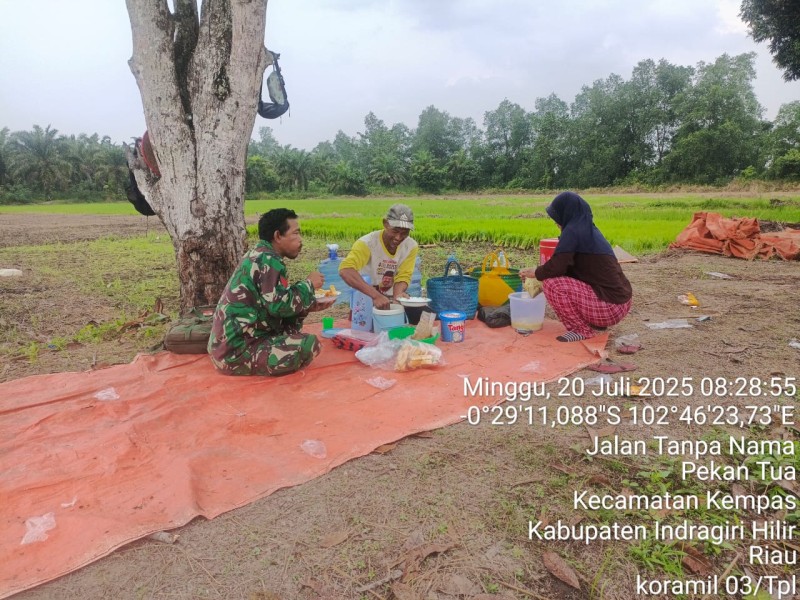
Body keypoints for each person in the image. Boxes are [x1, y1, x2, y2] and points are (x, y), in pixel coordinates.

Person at [208, 208, 324, 375]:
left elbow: (275, 302)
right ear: (278, 236)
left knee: (292, 328)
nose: (300, 240)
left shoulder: (258, 254)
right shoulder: (269, 261)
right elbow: (279, 307)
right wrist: (309, 285)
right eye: (296, 233)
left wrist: (307, 304)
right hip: (236, 353)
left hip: (224, 347)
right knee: (309, 344)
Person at [519, 191, 632, 342]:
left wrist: (536, 272)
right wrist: (538, 273)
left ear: (565, 213)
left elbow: (556, 268)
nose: (556, 222)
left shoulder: (572, 231)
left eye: (556, 216)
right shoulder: (587, 230)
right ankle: (594, 322)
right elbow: (565, 267)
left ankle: (581, 330)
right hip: (620, 303)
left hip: (610, 307)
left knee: (552, 285)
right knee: (553, 279)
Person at [339, 203, 419, 310]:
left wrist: (398, 295)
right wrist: (376, 296)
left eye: (405, 233)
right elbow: (346, 270)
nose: (398, 237)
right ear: (385, 224)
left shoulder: (411, 246)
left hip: (390, 298)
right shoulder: (367, 243)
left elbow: (404, 275)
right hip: (365, 297)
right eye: (395, 231)